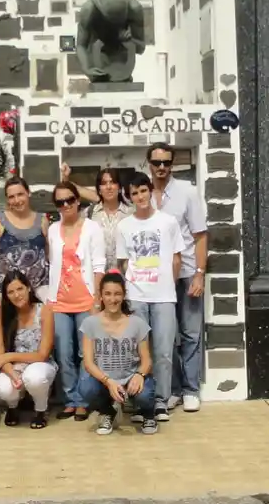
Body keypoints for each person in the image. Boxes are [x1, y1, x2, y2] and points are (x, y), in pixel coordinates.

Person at [113, 171, 185, 424]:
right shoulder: (124, 226)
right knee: (137, 352)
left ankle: (161, 401)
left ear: (150, 191)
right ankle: (138, 400)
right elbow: (122, 262)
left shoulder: (168, 222)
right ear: (129, 197)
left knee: (164, 351)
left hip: (164, 295)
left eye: (144, 190)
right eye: (134, 193)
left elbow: (177, 258)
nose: (140, 196)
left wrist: (167, 283)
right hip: (136, 296)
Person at [148, 142, 209, 414]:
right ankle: (172, 390)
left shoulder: (187, 192)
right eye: (157, 162)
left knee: (191, 332)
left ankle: (191, 389)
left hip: (185, 273)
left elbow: (200, 235)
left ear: (172, 164)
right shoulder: (143, 193)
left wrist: (199, 273)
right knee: (164, 336)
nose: (162, 167)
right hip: (157, 278)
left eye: (167, 163)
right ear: (148, 163)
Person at [42, 180, 105, 421]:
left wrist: (97, 300)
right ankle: (71, 399)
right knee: (64, 352)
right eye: (60, 202)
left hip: (86, 299)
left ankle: (84, 399)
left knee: (84, 352)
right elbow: (52, 266)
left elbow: (99, 265)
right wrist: (49, 299)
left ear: (78, 200)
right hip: (59, 300)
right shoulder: (52, 229)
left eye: (70, 199)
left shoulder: (92, 228)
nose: (66, 205)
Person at [81, 272, 159, 435]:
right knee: (86, 388)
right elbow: (88, 363)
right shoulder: (90, 323)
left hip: (131, 377)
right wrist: (109, 382)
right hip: (105, 379)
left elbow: (147, 361)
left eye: (117, 294)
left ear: (124, 296)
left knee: (145, 395)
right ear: (101, 296)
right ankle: (107, 412)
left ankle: (148, 414)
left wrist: (139, 375)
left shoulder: (137, 323)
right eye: (108, 294)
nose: (113, 299)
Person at [0, 271, 57, 428]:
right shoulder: (2, 315)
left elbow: (42, 354)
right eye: (11, 292)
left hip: (40, 364)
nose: (16, 295)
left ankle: (41, 409)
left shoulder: (44, 310)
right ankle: (13, 406)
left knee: (34, 377)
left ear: (28, 288)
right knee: (4, 387)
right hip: (13, 367)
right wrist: (13, 374)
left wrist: (10, 356)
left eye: (20, 289)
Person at [0, 176, 47, 308]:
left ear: (28, 193)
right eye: (11, 197)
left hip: (39, 291)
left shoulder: (42, 220)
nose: (17, 200)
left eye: (20, 194)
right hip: (7, 292)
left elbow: (49, 255)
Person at [61, 163, 131, 271]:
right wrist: (65, 178)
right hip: (96, 278)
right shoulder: (89, 214)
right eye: (104, 183)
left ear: (120, 188)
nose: (108, 187)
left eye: (112, 182)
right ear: (99, 190)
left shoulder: (130, 214)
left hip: (124, 279)